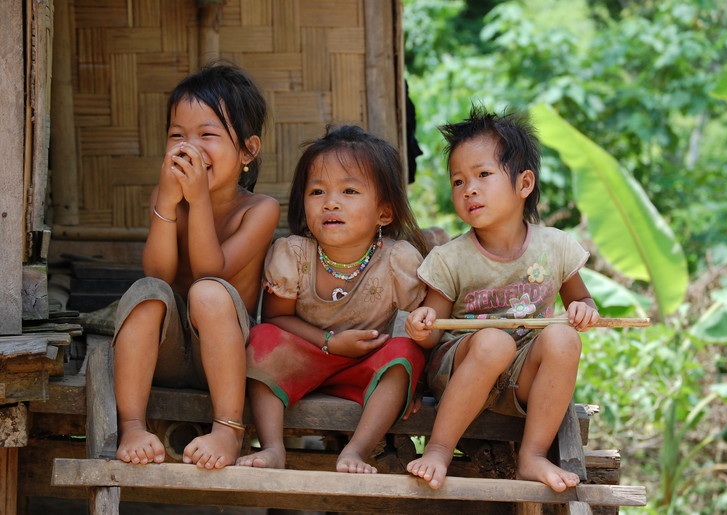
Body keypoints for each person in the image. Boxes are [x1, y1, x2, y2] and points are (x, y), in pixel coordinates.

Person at [405, 106, 599, 492]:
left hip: (521, 375)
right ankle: (440, 450)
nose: (469, 189)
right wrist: (421, 323)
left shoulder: (556, 247)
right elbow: (431, 334)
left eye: (482, 175)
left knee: (563, 337)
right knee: (494, 342)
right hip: (463, 368)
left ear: (524, 184)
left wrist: (583, 311)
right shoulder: (450, 258)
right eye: (458, 181)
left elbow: (585, 303)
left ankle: (532, 457)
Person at [113, 63, 280, 470]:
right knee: (146, 292)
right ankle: (132, 425)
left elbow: (211, 271)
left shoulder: (260, 210)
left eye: (207, 135)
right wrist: (168, 204)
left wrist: (199, 200)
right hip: (167, 356)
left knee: (207, 293)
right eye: (177, 136)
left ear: (248, 151)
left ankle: (228, 428)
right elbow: (159, 273)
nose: (189, 148)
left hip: (224, 358)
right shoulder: (166, 195)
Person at [236, 125, 428, 473]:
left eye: (350, 190)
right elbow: (276, 320)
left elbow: (418, 328)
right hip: (306, 359)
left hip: (368, 366)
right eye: (317, 191)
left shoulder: (399, 262)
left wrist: (409, 380)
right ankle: (272, 447)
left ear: (384, 213)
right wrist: (329, 342)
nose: (331, 202)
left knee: (406, 351)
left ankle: (356, 451)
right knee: (262, 340)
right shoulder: (293, 254)